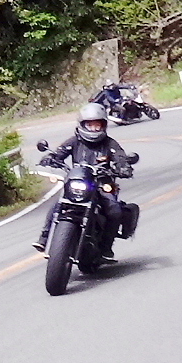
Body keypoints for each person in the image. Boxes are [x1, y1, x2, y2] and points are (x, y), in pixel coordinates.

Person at [33, 102, 134, 262]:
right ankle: (44, 238)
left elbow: (120, 157)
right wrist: (50, 158)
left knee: (114, 210)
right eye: (90, 125)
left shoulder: (110, 144)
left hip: (102, 185)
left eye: (97, 125)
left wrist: (124, 167)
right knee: (57, 204)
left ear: (103, 125)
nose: (94, 129)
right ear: (82, 125)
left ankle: (106, 247)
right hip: (78, 182)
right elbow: (60, 152)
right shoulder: (74, 141)